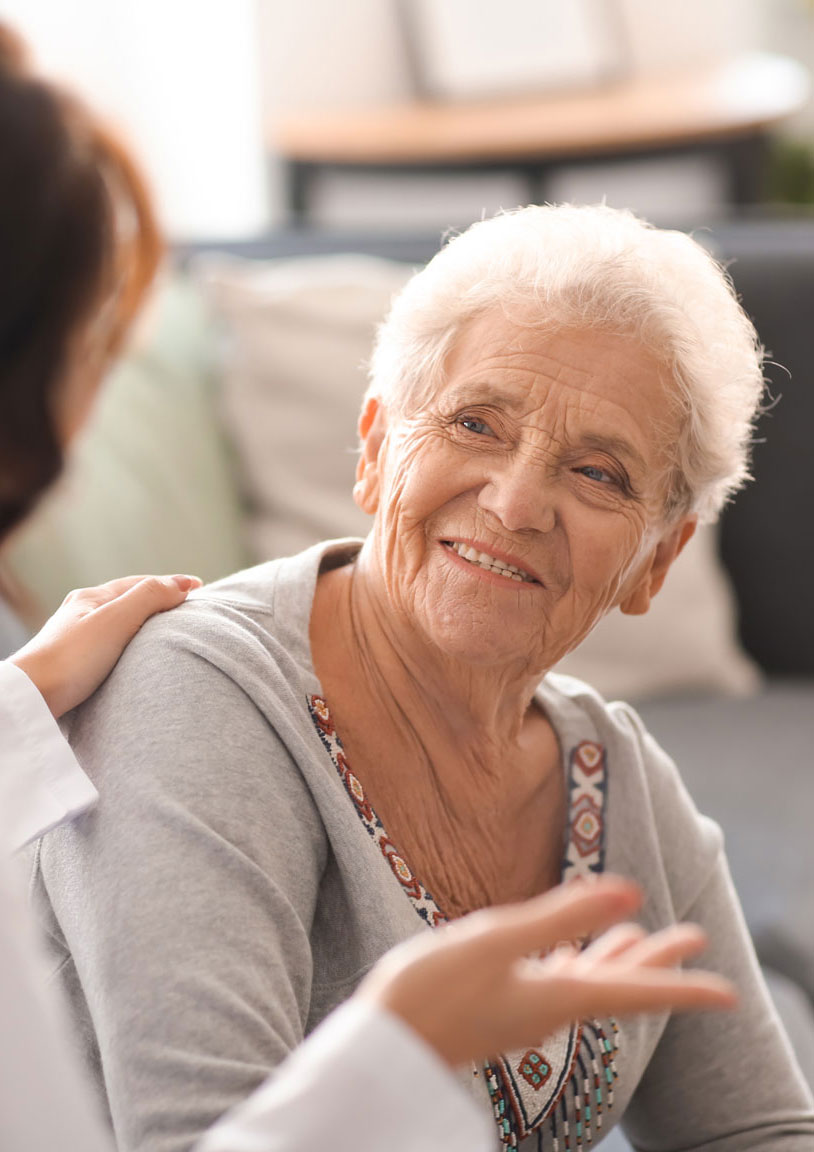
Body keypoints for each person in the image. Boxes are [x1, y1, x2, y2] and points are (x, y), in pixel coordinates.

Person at [0, 23, 738, 1152]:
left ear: (657, 559)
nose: (514, 501)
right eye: (474, 422)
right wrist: (397, 1047)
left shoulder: (622, 777)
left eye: (598, 473)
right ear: (373, 450)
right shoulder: (197, 695)